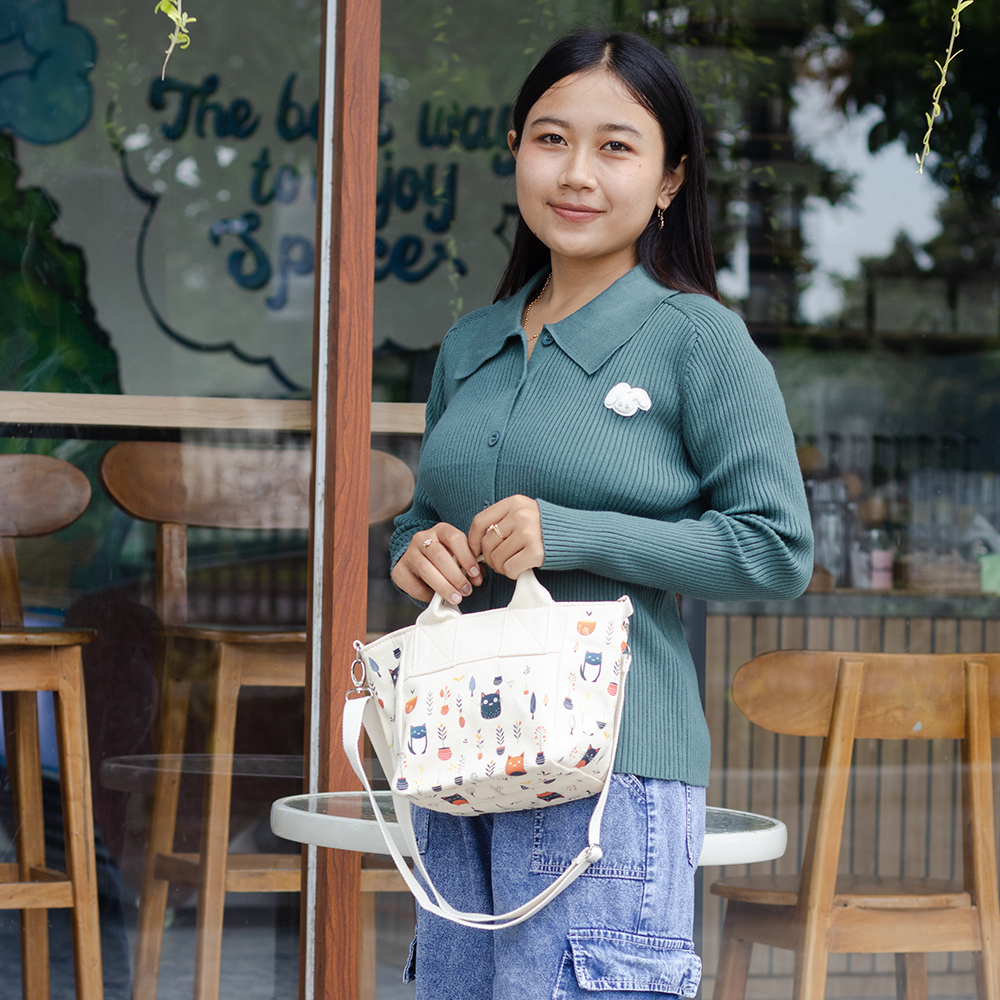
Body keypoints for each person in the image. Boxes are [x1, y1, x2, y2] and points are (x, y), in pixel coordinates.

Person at [389, 29, 812, 1000]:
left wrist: (570, 532)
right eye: (551, 139)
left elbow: (776, 549)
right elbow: (423, 515)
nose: (576, 173)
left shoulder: (697, 340)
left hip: (611, 769)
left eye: (616, 147)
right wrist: (418, 549)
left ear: (670, 179)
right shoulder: (469, 345)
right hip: (459, 759)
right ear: (515, 150)